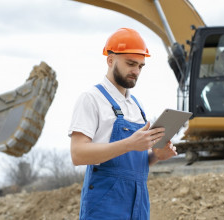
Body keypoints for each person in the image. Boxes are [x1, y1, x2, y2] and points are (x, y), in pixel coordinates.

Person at [68, 27, 178, 220]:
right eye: (130, 64)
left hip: (138, 204)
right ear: (110, 60)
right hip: (105, 206)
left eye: (140, 66)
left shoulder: (137, 106)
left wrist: (156, 156)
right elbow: (78, 154)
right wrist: (129, 143)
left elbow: (133, 164)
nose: (136, 71)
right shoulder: (91, 99)